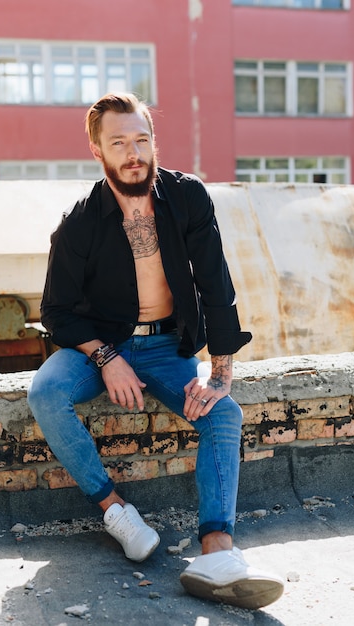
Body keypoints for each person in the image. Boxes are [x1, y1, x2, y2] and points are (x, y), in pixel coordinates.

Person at [27, 92, 284, 610]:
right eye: (119, 142)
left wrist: (220, 372)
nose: (133, 152)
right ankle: (116, 510)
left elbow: (215, 283)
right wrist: (105, 356)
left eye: (141, 139)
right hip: (101, 346)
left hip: (169, 346)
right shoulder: (78, 223)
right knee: (45, 392)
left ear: (153, 142)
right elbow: (55, 312)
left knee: (224, 414)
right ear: (97, 152)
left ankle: (217, 554)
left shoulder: (187, 198)